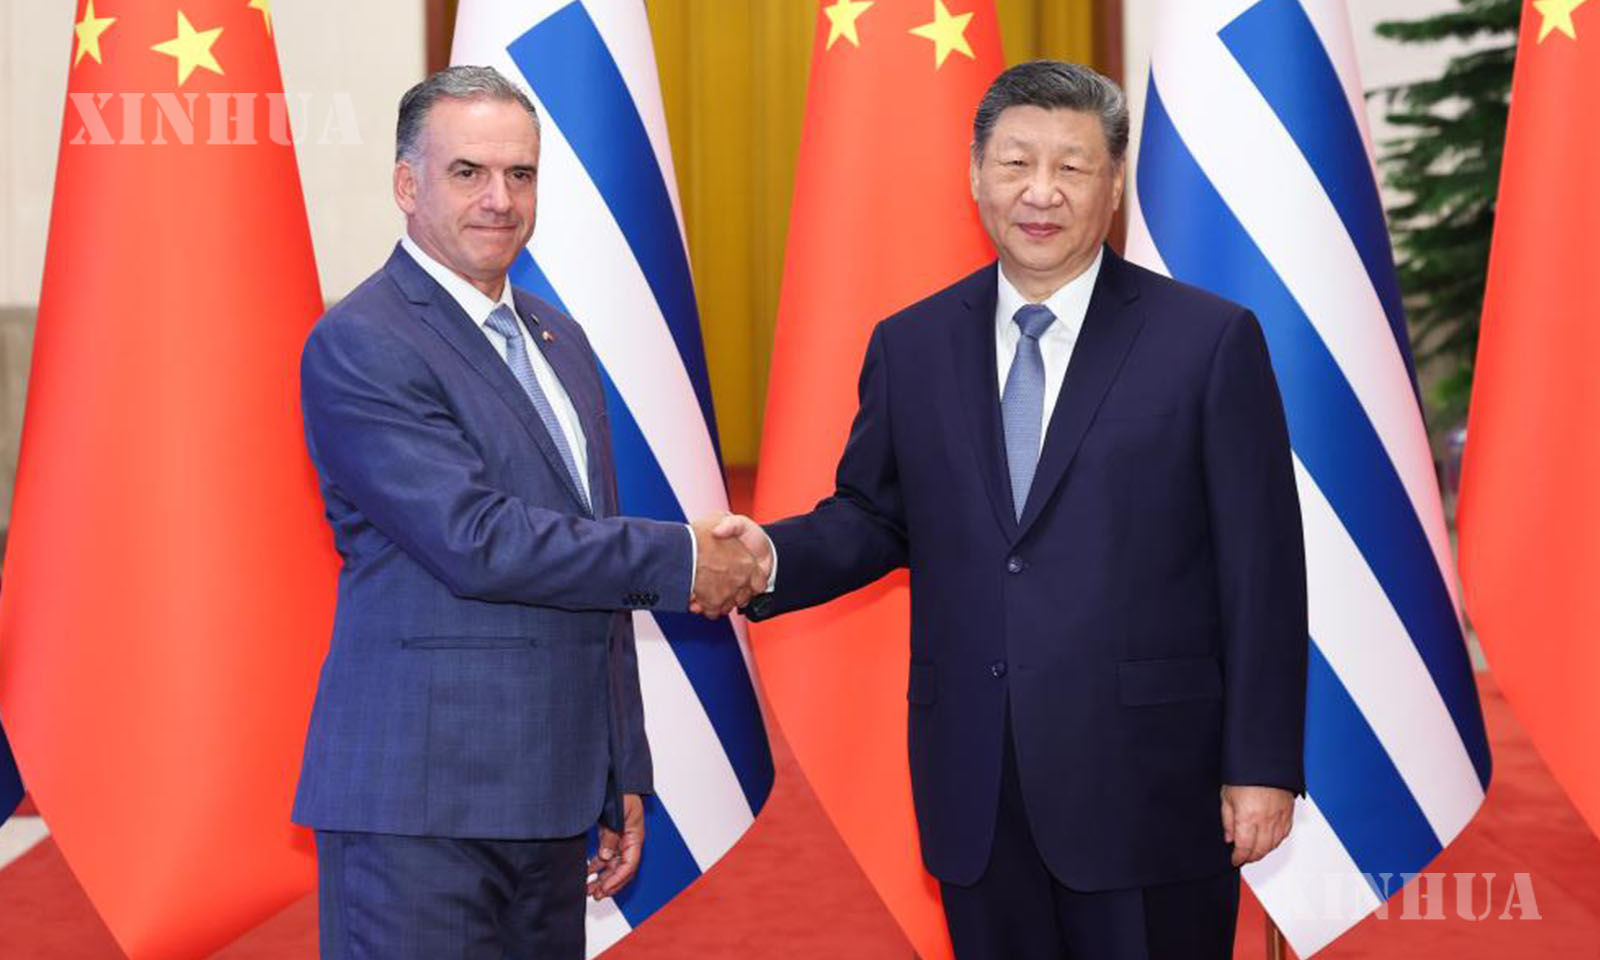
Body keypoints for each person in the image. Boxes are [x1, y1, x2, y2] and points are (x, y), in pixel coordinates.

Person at [718, 60, 1308, 959]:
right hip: (977, 783)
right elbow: (875, 516)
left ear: (1114, 184)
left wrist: (1261, 765)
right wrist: (766, 558)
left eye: (1072, 166)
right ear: (975, 175)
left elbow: (1261, 570)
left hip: (1150, 787)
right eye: (1016, 162)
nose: (1041, 192)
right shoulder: (912, 344)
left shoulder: (1208, 341)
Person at [292, 66, 764, 960]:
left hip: (550, 799)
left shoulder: (559, 339)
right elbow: (478, 541)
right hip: (419, 808)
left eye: (521, 174)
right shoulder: (363, 341)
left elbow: (593, 570)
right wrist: (686, 560)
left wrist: (620, 765)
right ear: (407, 185)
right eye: (467, 172)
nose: (499, 199)